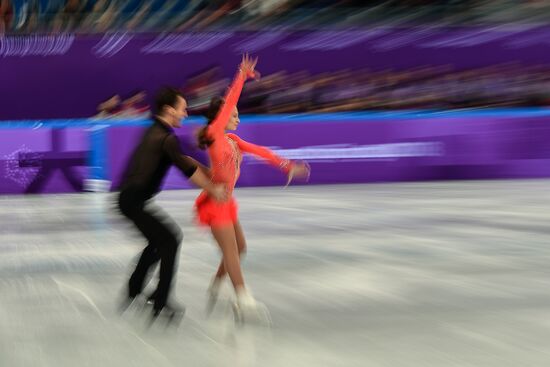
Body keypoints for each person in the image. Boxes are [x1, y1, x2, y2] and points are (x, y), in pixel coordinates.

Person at [195, 54, 310, 316]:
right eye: (233, 115)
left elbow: (260, 150)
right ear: (220, 117)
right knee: (233, 252)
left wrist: (286, 165)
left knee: (241, 248)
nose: (237, 118)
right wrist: (241, 76)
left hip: (228, 203)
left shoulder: (233, 140)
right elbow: (230, 103)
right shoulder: (214, 136)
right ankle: (243, 298)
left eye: (237, 115)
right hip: (215, 203)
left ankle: (217, 283)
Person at [118, 86, 226, 321]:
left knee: (159, 241)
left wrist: (209, 174)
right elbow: (186, 168)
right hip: (133, 200)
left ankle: (135, 288)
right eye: (183, 110)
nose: (185, 115)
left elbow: (183, 159)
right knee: (170, 239)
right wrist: (213, 189)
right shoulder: (166, 138)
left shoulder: (156, 131)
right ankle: (160, 299)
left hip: (130, 199)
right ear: (169, 110)